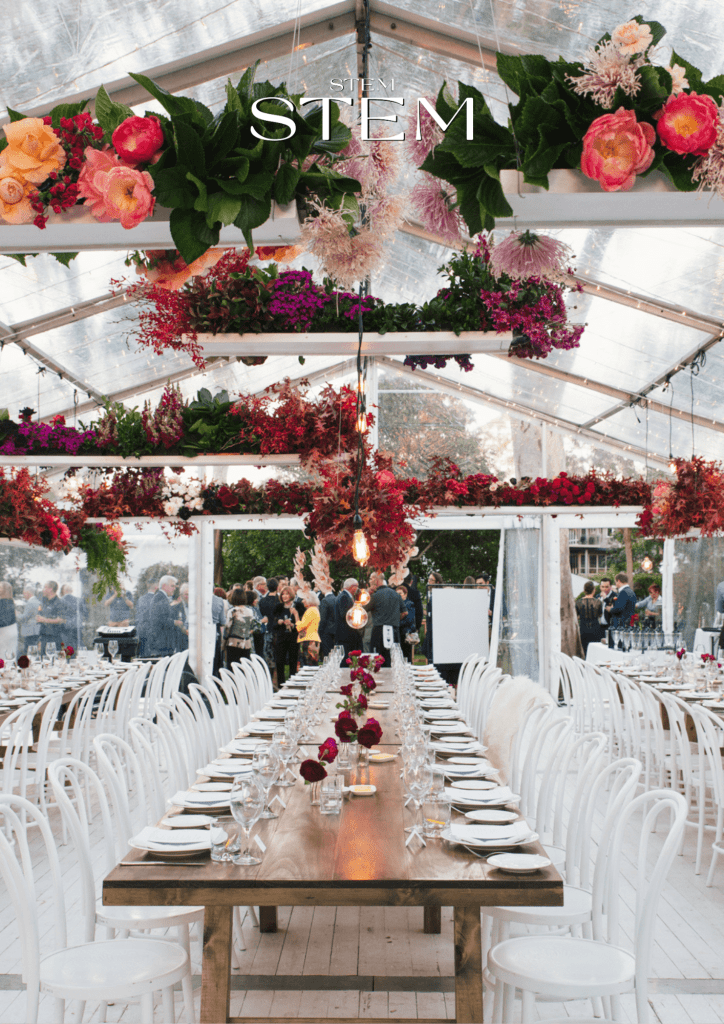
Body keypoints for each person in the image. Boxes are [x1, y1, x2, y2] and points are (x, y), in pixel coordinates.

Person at [367, 572, 405, 668]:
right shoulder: (396, 594)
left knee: (377, 662)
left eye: (371, 579)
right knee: (393, 660)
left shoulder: (375, 596)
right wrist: (395, 619)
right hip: (394, 630)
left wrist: (367, 594)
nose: (369, 581)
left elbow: (363, 610)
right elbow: (405, 612)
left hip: (378, 632)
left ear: (376, 580)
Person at [147, 575, 180, 657]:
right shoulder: (159, 598)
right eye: (172, 586)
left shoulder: (161, 597)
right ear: (164, 586)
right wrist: (175, 622)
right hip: (162, 645)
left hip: (163, 644)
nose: (174, 588)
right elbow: (158, 619)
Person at [272, 584, 299, 685]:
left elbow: (301, 624)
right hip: (281, 637)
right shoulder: (278, 607)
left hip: (293, 637)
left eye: (286, 594)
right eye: (283, 594)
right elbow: (273, 624)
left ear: (291, 595)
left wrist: (292, 624)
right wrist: (280, 622)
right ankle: (280, 684)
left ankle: (292, 683)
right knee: (280, 661)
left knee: (293, 660)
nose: (284, 596)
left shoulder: (297, 607)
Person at [224, 588, 256, 666]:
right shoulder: (250, 611)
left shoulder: (232, 611)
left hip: (234, 642)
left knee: (233, 667)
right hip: (246, 643)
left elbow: (228, 627)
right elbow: (253, 626)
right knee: (244, 667)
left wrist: (224, 641)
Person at [37, 580, 66, 656]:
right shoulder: (44, 602)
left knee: (54, 661)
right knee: (43, 662)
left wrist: (45, 620)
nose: (43, 590)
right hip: (44, 638)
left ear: (50, 589)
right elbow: (40, 617)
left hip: (54, 639)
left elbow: (61, 620)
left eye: (44, 587)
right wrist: (40, 640)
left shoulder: (59, 603)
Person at [293, 590, 321, 665]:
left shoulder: (311, 611)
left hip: (308, 640)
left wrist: (296, 615)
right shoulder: (314, 609)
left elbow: (300, 627)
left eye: (304, 599)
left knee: (307, 664)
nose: (302, 601)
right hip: (311, 639)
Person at [334, 577, 360, 657]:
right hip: (345, 634)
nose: (357, 589)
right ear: (353, 587)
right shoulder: (344, 597)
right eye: (357, 587)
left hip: (345, 634)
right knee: (346, 659)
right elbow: (345, 614)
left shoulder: (344, 596)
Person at [608, 572, 637, 645]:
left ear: (619, 581)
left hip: (621, 625)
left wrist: (610, 609)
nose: (615, 584)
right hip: (629, 624)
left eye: (615, 582)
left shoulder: (623, 592)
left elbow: (619, 609)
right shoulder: (631, 592)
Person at [576, 581, 604, 654]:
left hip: (583, 628)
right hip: (595, 627)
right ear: (594, 590)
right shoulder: (598, 602)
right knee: (595, 650)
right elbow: (600, 614)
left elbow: (577, 616)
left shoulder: (578, 602)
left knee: (585, 649)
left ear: (584, 590)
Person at [259, 578, 279, 676]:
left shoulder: (262, 601)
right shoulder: (279, 601)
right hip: (278, 630)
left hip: (267, 629)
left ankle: (270, 677)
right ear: (277, 587)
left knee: (268, 655)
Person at [423, 571, 443, 663]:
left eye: (431, 580)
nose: (429, 581)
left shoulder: (439, 594)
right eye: (429, 579)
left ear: (437, 582)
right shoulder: (430, 593)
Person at [135, 581, 158, 657]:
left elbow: (138, 615)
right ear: (156, 587)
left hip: (141, 631)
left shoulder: (141, 599)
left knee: (142, 656)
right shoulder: (156, 599)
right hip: (152, 632)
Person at [60, 583, 84, 652]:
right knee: (78, 646)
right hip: (77, 627)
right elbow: (84, 613)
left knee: (68, 648)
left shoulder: (61, 601)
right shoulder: (79, 600)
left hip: (66, 628)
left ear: (64, 591)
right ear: (72, 590)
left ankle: (69, 660)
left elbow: (60, 615)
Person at [18, 585, 41, 656]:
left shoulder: (30, 603)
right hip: (36, 630)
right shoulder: (38, 601)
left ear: (28, 593)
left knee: (28, 651)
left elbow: (24, 618)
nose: (23, 595)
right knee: (33, 651)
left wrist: (17, 614)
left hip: (30, 631)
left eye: (24, 593)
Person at [396, 584, 416, 662]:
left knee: (406, 656)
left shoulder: (409, 604)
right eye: (396, 594)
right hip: (398, 634)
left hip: (406, 634)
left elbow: (409, 620)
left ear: (405, 594)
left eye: (400, 593)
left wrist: (397, 623)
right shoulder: (396, 605)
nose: (398, 595)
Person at [318, 588, 337, 661]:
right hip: (335, 631)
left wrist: (320, 632)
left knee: (328, 655)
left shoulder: (324, 601)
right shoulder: (336, 598)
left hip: (326, 632)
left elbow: (323, 619)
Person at [0, 582, 18, 658]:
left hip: (3, 632)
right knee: (11, 653)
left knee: (3, 655)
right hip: (13, 630)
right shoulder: (11, 601)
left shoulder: (1, 602)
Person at [174, 582, 189, 652]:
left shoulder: (197, 608)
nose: (189, 596)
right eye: (186, 594)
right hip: (181, 644)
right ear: (181, 595)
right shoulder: (175, 608)